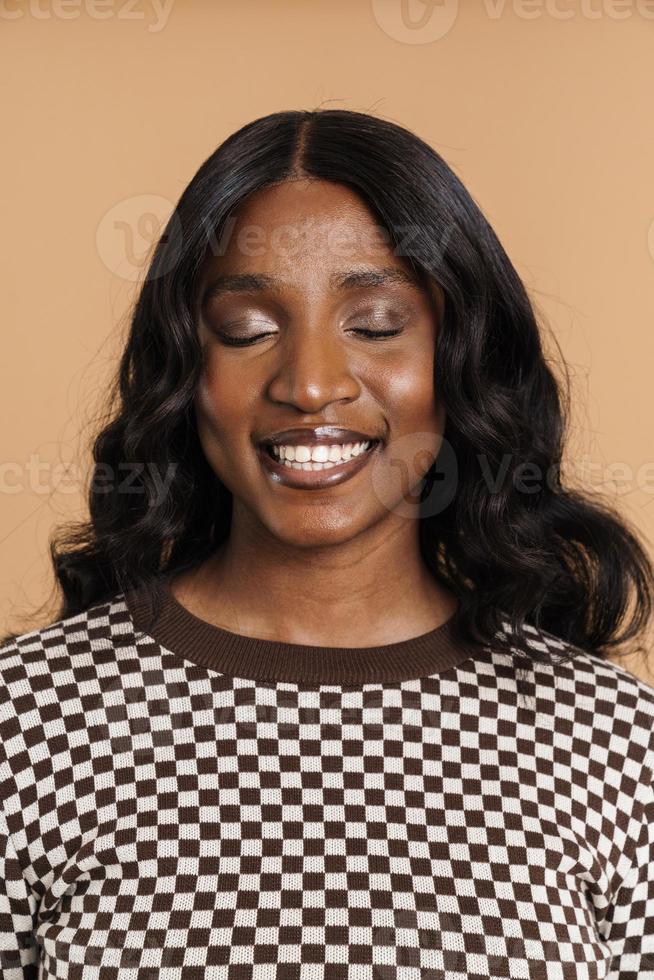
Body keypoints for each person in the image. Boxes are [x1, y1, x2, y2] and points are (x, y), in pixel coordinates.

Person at [1, 108, 653, 979]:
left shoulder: (615, 747)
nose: (310, 384)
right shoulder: (26, 722)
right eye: (247, 330)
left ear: (459, 360)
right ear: (187, 372)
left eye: (377, 324)